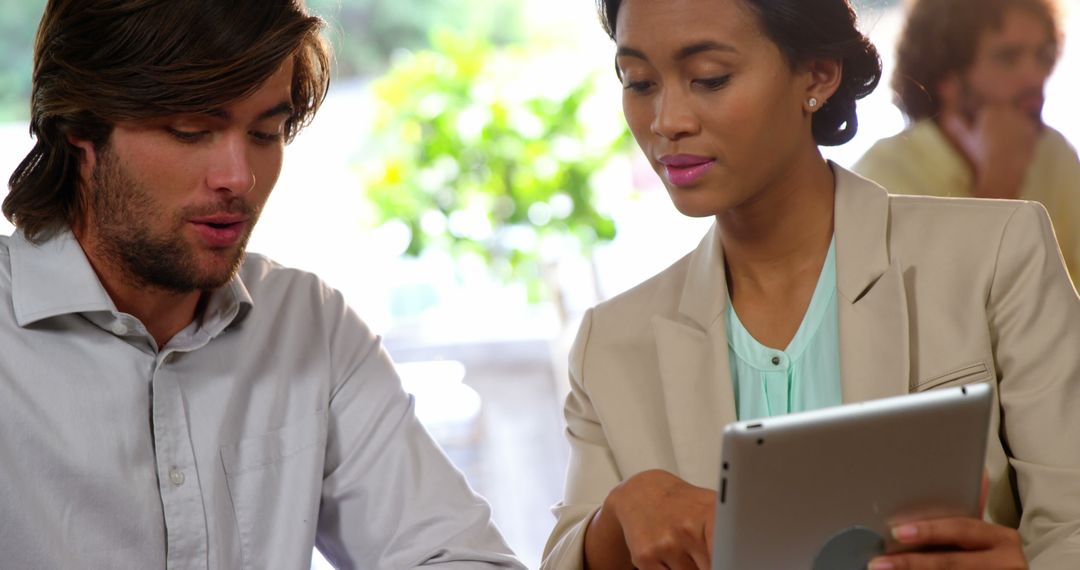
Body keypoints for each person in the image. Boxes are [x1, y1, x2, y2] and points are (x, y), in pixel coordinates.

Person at [542, 0, 1080, 568]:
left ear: (818, 76)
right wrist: (619, 519)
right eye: (640, 82)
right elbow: (565, 553)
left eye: (709, 79)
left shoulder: (996, 256)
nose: (667, 120)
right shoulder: (610, 345)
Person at [0, 1, 524, 568]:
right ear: (81, 127)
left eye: (266, 132)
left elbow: (458, 555)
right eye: (192, 131)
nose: (238, 177)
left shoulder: (308, 324)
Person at [853, 0, 1080, 288]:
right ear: (947, 77)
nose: (1035, 76)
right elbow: (949, 319)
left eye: (1042, 55)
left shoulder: (1053, 152)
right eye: (1008, 58)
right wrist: (998, 185)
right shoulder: (883, 178)